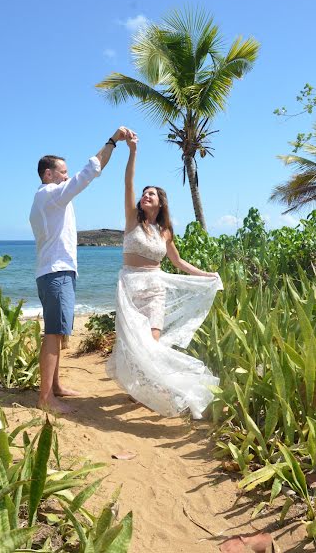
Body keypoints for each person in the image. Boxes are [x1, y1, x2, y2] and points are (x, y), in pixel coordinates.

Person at [106, 133, 223, 419]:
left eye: (152, 194)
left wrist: (207, 275)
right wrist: (132, 151)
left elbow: (178, 262)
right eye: (144, 193)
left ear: (160, 202)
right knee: (133, 343)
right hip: (130, 287)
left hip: (155, 287)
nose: (146, 195)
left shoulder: (165, 231)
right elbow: (128, 182)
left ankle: (161, 389)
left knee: (153, 344)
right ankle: (142, 388)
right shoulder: (133, 221)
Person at [30, 126, 135, 413]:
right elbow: (88, 173)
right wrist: (112, 141)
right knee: (53, 334)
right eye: (62, 172)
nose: (67, 175)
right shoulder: (50, 194)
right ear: (48, 174)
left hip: (56, 272)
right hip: (56, 273)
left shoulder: (48, 200)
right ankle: (45, 399)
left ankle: (57, 386)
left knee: (59, 332)